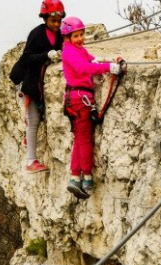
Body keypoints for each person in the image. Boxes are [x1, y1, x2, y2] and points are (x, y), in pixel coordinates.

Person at [60, 16, 124, 199]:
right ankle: (85, 178)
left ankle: (76, 177)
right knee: (85, 139)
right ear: (67, 37)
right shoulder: (70, 51)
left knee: (80, 138)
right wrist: (109, 68)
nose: (80, 39)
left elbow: (92, 61)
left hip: (77, 99)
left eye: (81, 34)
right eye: (76, 36)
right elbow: (83, 69)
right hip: (80, 99)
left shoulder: (78, 50)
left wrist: (106, 63)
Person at [10, 0, 65, 173]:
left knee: (36, 118)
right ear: (45, 18)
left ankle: (29, 139)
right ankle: (31, 161)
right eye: (52, 21)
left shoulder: (59, 35)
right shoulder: (37, 34)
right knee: (33, 120)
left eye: (58, 21)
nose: (56, 24)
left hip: (37, 82)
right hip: (27, 82)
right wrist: (46, 55)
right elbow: (26, 58)